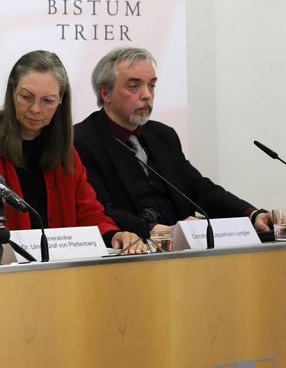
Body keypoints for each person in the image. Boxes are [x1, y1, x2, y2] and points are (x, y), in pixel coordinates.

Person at [0, 50, 144, 255]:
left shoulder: (65, 151)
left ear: (60, 100)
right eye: (26, 97)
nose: (35, 109)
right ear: (12, 92)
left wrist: (114, 235)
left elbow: (90, 216)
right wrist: (14, 251)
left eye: (47, 101)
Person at [74, 46, 270, 238]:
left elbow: (199, 188)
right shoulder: (82, 139)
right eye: (134, 86)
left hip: (183, 250)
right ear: (105, 93)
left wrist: (252, 214)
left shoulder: (163, 135)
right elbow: (98, 208)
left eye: (152, 85)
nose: (147, 95)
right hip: (132, 248)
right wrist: (155, 230)